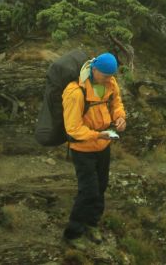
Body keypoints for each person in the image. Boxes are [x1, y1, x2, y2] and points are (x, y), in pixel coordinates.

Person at [62, 52, 127, 243]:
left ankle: (92, 223)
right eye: (105, 76)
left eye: (111, 76)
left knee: (101, 186)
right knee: (88, 190)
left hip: (103, 144)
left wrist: (120, 117)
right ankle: (73, 233)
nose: (109, 80)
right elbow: (73, 129)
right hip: (82, 148)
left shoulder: (110, 83)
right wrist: (97, 134)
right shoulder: (76, 92)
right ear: (94, 69)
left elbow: (116, 102)